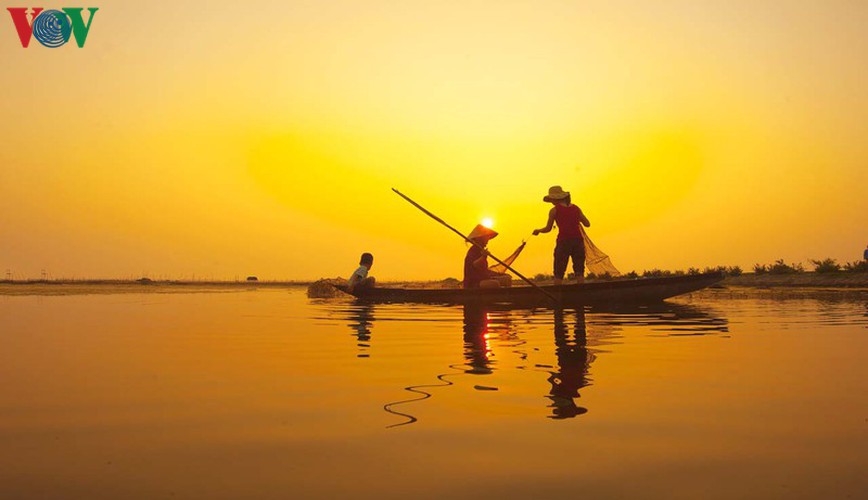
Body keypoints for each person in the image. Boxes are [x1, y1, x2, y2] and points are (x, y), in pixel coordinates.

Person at [532, 185, 591, 284]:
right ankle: (581, 293)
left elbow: (548, 229)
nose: (551, 202)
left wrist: (538, 230)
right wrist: (575, 220)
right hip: (578, 241)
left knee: (559, 271)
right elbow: (587, 224)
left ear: (555, 199)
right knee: (579, 270)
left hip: (564, 242)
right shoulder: (576, 208)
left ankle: (557, 294)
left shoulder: (554, 210)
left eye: (551, 199)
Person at [463, 225, 512, 289]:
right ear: (479, 238)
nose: (487, 241)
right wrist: (483, 256)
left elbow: (484, 270)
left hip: (483, 279)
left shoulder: (481, 250)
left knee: (506, 279)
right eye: (485, 238)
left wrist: (498, 274)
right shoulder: (473, 250)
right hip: (474, 283)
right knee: (494, 284)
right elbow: (475, 264)